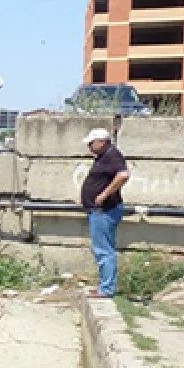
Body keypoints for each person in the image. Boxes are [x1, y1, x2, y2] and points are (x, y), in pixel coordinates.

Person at [80, 128, 131, 298]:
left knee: (104, 250)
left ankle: (107, 289)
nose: (88, 146)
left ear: (102, 142)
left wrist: (103, 195)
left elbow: (123, 175)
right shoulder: (104, 156)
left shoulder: (112, 155)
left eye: (91, 143)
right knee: (101, 249)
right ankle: (105, 286)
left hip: (104, 210)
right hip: (98, 210)